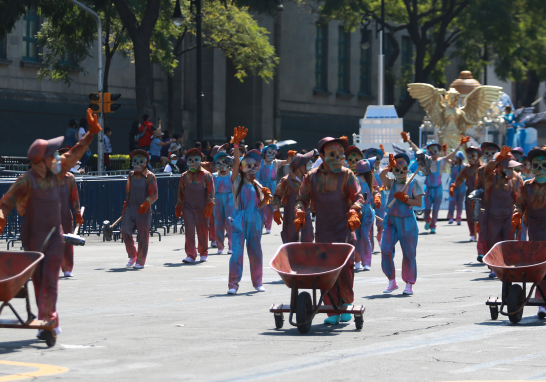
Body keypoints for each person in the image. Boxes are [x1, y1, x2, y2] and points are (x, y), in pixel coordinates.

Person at [0, 108, 100, 339]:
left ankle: (48, 321)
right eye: (53, 155)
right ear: (42, 161)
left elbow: (74, 154)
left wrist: (90, 135)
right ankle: (47, 319)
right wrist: (2, 215)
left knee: (51, 280)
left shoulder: (57, 173)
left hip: (55, 236)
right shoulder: (25, 180)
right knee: (37, 280)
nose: (58, 158)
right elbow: (5, 202)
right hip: (32, 237)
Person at [295, 136, 364, 325]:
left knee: (345, 269)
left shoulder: (347, 175)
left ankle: (347, 303)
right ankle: (331, 309)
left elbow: (358, 197)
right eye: (333, 154)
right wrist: (300, 211)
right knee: (326, 271)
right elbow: (302, 198)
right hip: (323, 230)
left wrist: (354, 211)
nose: (339, 158)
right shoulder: (311, 177)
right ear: (323, 156)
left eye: (341, 154)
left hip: (344, 228)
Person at [227, 127, 271, 294]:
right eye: (248, 165)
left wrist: (266, 200)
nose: (251, 168)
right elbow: (236, 163)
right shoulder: (237, 181)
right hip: (239, 219)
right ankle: (233, 284)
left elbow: (260, 205)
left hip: (255, 220)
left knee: (255, 252)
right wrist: (236, 145)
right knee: (237, 253)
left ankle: (258, 282)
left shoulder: (258, 185)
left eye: (254, 165)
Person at [403, 132, 468, 233]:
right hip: (428, 189)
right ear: (429, 152)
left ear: (438, 152)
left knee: (436, 209)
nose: (433, 153)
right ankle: (427, 220)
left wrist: (459, 145)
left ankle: (433, 226)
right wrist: (409, 141)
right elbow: (417, 150)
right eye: (431, 152)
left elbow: (452, 154)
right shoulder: (427, 160)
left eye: (435, 151)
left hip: (438, 189)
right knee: (427, 209)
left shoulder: (441, 161)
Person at [380, 153, 425, 295]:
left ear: (408, 169)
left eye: (404, 168)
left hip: (407, 221)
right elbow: (381, 175)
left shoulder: (414, 183)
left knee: (409, 253)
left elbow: (419, 203)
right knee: (385, 250)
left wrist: (406, 199)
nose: (401, 172)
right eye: (397, 170)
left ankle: (409, 283)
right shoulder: (391, 183)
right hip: (391, 221)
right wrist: (389, 166)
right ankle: (392, 281)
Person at [513, 146, 546, 318]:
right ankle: (542, 304)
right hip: (535, 237)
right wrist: (517, 213)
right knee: (539, 271)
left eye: (544, 165)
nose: (539, 169)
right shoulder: (526, 186)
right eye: (536, 165)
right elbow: (520, 204)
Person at [480, 146, 520, 277]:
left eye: (511, 167)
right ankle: (493, 267)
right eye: (506, 167)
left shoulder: (515, 178)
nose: (510, 170)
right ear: (499, 167)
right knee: (492, 242)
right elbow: (487, 168)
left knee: (509, 241)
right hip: (492, 215)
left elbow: (519, 196)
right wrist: (498, 158)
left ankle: (508, 266)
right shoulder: (491, 177)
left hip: (508, 215)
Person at [175, 148, 215, 263]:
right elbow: (181, 192)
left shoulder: (207, 175)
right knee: (189, 230)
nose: (193, 162)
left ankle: (203, 252)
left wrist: (209, 204)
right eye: (190, 160)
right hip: (188, 207)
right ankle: (191, 254)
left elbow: (211, 191)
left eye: (196, 159)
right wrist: (178, 206)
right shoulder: (184, 176)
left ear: (201, 161)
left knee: (202, 230)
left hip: (202, 207)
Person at [121, 150, 158, 269]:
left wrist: (146, 203)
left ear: (146, 163)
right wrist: (125, 206)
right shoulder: (130, 175)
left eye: (141, 161)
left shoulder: (150, 176)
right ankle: (133, 255)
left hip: (143, 210)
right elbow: (128, 192)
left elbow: (154, 194)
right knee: (124, 230)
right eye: (135, 161)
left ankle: (140, 261)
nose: (137, 163)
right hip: (131, 207)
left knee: (142, 235)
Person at [272, 151, 315, 243]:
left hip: (305, 214)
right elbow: (276, 196)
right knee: (291, 241)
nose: (308, 165)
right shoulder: (286, 180)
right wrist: (276, 210)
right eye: (305, 164)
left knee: (308, 238)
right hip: (291, 216)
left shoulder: (308, 179)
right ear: (299, 167)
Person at [55, 148, 83, 278]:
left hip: (65, 214)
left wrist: (77, 213)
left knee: (67, 242)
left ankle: (67, 268)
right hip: (49, 215)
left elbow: (74, 197)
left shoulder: (70, 178)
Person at [257, 144, 293, 234]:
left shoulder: (275, 162)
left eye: (273, 153)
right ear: (264, 153)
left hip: (272, 186)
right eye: (269, 153)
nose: (272, 155)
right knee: (261, 206)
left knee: (270, 207)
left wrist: (290, 155)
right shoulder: (260, 163)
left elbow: (287, 161)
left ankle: (268, 226)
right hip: (262, 186)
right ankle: (261, 224)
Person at [475, 142, 501, 263]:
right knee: (482, 230)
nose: (489, 155)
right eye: (487, 153)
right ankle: (481, 253)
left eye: (493, 153)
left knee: (498, 234)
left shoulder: (503, 169)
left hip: (501, 207)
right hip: (485, 205)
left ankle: (497, 257)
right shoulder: (481, 170)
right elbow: (478, 186)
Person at [450, 146, 483, 241]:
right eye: (469, 156)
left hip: (481, 194)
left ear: (478, 157)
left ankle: (480, 232)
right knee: (470, 214)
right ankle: (473, 233)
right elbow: (459, 178)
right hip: (470, 193)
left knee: (481, 214)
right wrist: (453, 186)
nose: (470, 158)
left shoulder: (483, 168)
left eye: (473, 156)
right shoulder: (467, 168)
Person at [354, 158, 380, 271]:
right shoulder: (355, 179)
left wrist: (377, 196)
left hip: (368, 210)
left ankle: (367, 262)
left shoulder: (371, 179)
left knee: (365, 235)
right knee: (357, 237)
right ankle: (357, 260)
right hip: (356, 210)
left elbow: (377, 189)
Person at [212, 150, 234, 254]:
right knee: (218, 222)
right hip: (217, 198)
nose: (221, 164)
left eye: (224, 161)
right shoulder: (214, 176)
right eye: (219, 162)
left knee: (230, 222)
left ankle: (231, 246)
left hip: (230, 198)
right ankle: (220, 246)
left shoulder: (232, 175)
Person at [366, 147, 386, 246]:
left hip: (381, 197)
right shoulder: (366, 173)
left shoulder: (382, 172)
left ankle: (380, 235)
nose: (375, 161)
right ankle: (370, 241)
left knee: (380, 221)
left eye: (377, 159)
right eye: (372, 158)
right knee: (369, 220)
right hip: (369, 197)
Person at [447, 151, 466, 225]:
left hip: (461, 185)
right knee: (452, 201)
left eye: (457, 157)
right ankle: (451, 217)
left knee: (460, 202)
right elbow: (446, 159)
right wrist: (446, 152)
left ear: (460, 158)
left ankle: (458, 218)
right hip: (453, 184)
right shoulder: (453, 164)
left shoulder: (464, 166)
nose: (455, 158)